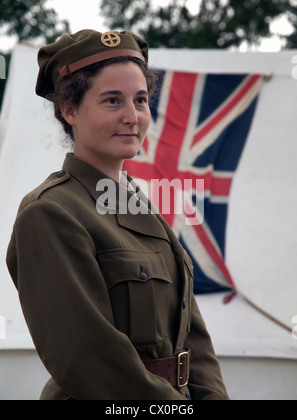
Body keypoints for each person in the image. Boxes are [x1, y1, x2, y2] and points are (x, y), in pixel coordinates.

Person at [6, 29, 229, 401]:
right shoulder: (50, 213)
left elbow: (192, 340)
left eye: (140, 100)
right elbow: (88, 359)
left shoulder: (139, 205)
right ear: (70, 110)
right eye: (113, 101)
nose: (132, 116)